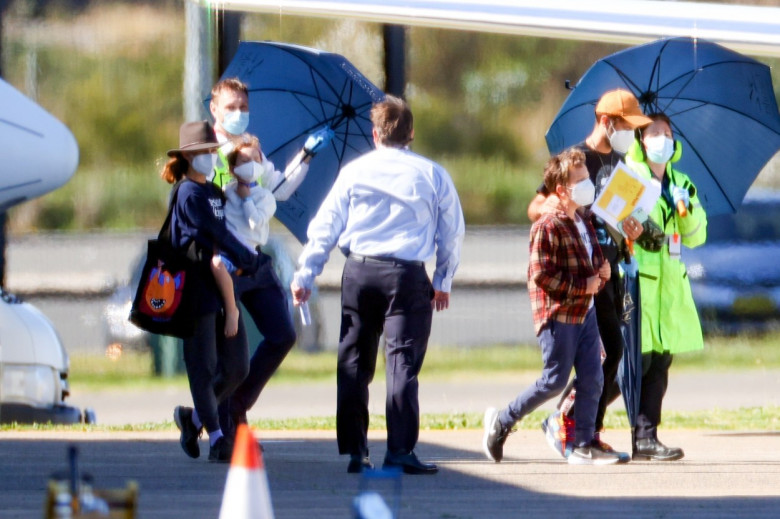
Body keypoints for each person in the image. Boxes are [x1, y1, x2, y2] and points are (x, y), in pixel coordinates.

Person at [291, 95, 465, 475]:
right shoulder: (432, 174)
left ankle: (356, 450)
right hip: (405, 275)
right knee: (401, 361)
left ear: (374, 134)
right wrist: (443, 279)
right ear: (412, 133)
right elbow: (451, 231)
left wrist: (306, 273)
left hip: (360, 271)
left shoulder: (354, 171)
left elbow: (325, 226)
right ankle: (400, 449)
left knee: (354, 360)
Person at [529, 89, 651, 459]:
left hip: (608, 268)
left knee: (613, 354)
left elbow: (619, 217)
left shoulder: (621, 162)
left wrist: (634, 229)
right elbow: (536, 205)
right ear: (606, 122)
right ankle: (571, 425)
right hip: (581, 275)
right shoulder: (576, 161)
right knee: (603, 354)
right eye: (627, 126)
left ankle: (589, 430)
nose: (632, 134)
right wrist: (554, 203)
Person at [208, 77, 333, 442]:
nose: (238, 114)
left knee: (283, 334)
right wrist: (232, 183)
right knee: (234, 360)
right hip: (225, 260)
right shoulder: (207, 150)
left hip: (256, 258)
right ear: (214, 109)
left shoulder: (252, 150)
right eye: (230, 107)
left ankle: (229, 406)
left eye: (243, 107)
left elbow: (278, 188)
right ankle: (223, 422)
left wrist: (305, 156)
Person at [483, 148, 621, 466]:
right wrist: (580, 287)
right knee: (555, 380)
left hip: (584, 312)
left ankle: (583, 442)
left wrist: (602, 269)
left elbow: (592, 254)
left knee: (593, 376)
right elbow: (541, 274)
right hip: (559, 314)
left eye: (588, 178)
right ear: (561, 189)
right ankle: (502, 421)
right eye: (580, 180)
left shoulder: (582, 220)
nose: (588, 184)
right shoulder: (547, 225)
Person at [163, 121, 263, 462]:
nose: (210, 158)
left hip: (221, 289)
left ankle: (191, 419)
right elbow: (210, 235)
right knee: (203, 367)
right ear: (190, 158)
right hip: (194, 294)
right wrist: (245, 256)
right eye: (204, 153)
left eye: (212, 152)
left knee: (237, 367)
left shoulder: (214, 193)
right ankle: (218, 437)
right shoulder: (187, 194)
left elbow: (226, 229)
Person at [625, 113, 707, 461]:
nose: (663, 139)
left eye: (668, 133)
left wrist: (683, 209)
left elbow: (698, 236)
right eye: (654, 132)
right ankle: (575, 415)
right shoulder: (630, 179)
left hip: (669, 289)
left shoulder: (682, 183)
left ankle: (646, 437)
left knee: (659, 363)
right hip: (638, 282)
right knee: (628, 364)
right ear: (641, 141)